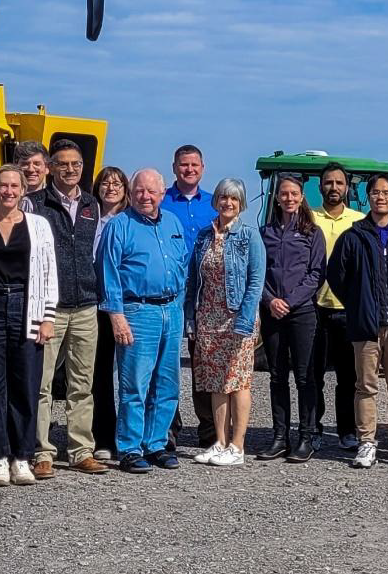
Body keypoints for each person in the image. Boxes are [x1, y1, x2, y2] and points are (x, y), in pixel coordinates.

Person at [326, 173, 388, 470]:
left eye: (386, 193)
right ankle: (367, 442)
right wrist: (357, 303)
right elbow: (336, 275)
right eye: (375, 193)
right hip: (365, 326)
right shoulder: (354, 235)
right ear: (368, 197)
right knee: (365, 386)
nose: (380, 197)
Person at [0, 165, 60, 486]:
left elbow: (49, 273)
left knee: (25, 384)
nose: (9, 191)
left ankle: (22, 456)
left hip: (27, 305)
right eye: (3, 185)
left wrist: (48, 316)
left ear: (24, 191)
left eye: (15, 186)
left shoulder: (38, 225)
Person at [99, 168, 189, 473]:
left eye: (151, 191)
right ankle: (129, 447)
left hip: (172, 311)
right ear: (130, 193)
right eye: (139, 191)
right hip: (137, 312)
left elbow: (183, 267)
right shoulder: (119, 226)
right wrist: (117, 317)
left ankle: (156, 444)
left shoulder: (174, 223)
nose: (145, 196)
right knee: (135, 384)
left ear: (162, 194)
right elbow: (108, 274)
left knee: (167, 384)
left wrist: (180, 309)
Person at [29, 141, 109, 477]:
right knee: (42, 383)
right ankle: (41, 451)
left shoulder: (92, 204)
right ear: (50, 167)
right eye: (62, 164)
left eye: (76, 164)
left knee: (81, 383)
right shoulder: (35, 203)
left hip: (86, 306)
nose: (70, 170)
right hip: (51, 308)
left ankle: (80, 450)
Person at [186, 178, 266, 467]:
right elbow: (194, 278)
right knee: (215, 382)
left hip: (237, 317)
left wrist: (246, 317)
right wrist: (191, 316)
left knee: (239, 381)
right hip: (208, 316)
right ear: (216, 200)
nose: (227, 203)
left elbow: (256, 280)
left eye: (233, 199)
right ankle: (219, 442)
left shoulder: (249, 235)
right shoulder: (205, 235)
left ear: (241, 203)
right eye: (223, 198)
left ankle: (238, 445)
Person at [257, 175, 326, 462]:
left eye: (294, 193)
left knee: (304, 376)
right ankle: (279, 437)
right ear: (277, 197)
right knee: (276, 376)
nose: (289, 198)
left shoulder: (313, 232)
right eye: (284, 194)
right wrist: (271, 301)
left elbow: (316, 273)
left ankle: (306, 437)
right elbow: (257, 272)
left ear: (301, 197)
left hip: (302, 313)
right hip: (272, 312)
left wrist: (290, 301)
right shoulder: (265, 232)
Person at [162, 144, 217, 450]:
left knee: (203, 363)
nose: (189, 169)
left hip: (205, 294)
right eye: (184, 165)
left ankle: (209, 428)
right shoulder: (161, 201)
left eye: (194, 165)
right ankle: (169, 426)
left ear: (202, 167)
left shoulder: (214, 204)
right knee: (168, 363)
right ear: (174, 167)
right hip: (171, 291)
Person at [311, 162, 366, 451]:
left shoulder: (360, 220)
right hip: (314, 307)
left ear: (347, 188)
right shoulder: (307, 218)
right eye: (328, 183)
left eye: (339, 183)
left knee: (348, 376)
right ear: (320, 187)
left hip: (347, 308)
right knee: (313, 374)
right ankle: (313, 428)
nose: (334, 188)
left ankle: (347, 430)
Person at [91, 166, 132, 461]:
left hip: (128, 304)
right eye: (105, 182)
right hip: (94, 304)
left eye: (117, 183)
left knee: (134, 374)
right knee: (99, 374)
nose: (111, 187)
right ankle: (103, 435)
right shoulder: (88, 217)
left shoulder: (131, 220)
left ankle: (133, 435)